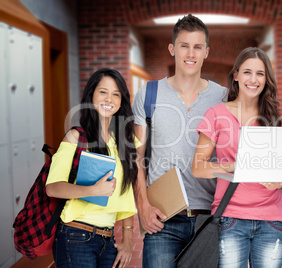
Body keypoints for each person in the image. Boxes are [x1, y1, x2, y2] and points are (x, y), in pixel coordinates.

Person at [132, 14, 226, 267]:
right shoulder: (148, 94)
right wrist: (142, 206)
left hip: (209, 218)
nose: (191, 53)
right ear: (172, 49)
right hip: (162, 216)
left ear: (206, 52)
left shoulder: (224, 97)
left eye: (197, 47)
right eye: (184, 45)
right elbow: (136, 158)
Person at [192, 47, 282, 268]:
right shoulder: (216, 114)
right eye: (247, 72)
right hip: (230, 217)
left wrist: (281, 179)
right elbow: (198, 167)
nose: (253, 79)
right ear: (236, 75)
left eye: (260, 73)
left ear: (267, 79)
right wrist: (235, 166)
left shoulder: (279, 118)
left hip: (272, 219)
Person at [46, 68, 140, 268]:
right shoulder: (76, 137)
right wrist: (92, 191)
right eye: (103, 92)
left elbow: (127, 193)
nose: (109, 99)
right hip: (75, 236)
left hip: (107, 239)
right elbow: (53, 187)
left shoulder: (124, 141)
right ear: (91, 95)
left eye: (116, 94)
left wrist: (129, 239)